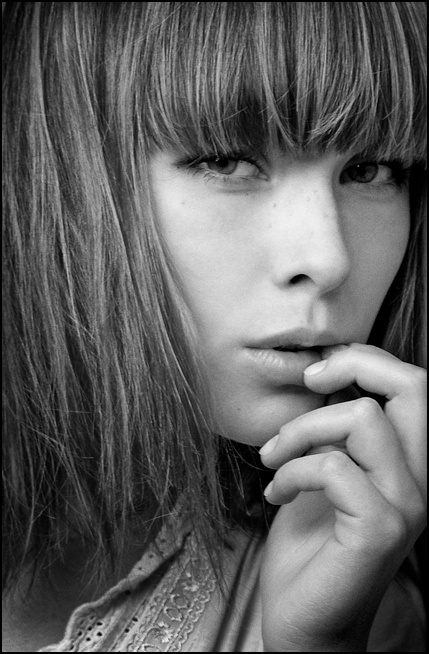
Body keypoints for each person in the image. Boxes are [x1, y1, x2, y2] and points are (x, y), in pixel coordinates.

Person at [2, 2, 427, 652]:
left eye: (369, 170)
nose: (328, 259)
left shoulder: (349, 587)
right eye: (227, 161)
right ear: (51, 174)